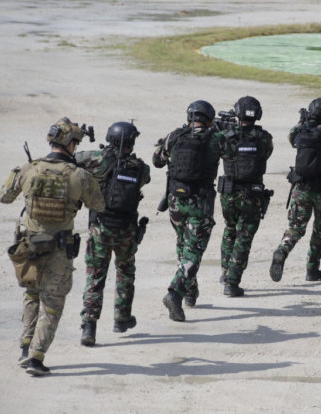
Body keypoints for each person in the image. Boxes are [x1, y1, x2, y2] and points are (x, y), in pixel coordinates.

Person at [1, 117, 105, 376]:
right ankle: (36, 356)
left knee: (32, 295)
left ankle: (25, 347)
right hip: (60, 250)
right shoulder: (79, 175)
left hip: (30, 246)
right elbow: (99, 205)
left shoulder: (29, 168)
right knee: (52, 303)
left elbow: (4, 196)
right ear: (70, 145)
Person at [153, 100, 236, 322]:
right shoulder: (215, 139)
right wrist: (223, 132)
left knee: (183, 244)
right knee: (194, 251)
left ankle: (191, 292)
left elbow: (157, 161)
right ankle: (175, 292)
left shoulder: (175, 135)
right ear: (208, 118)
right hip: (200, 202)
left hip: (175, 201)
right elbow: (233, 155)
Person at [75, 122, 151, 346]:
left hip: (101, 226)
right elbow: (146, 179)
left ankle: (89, 326)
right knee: (125, 273)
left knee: (95, 276)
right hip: (127, 229)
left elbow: (72, 160)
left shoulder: (97, 159)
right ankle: (121, 319)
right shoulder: (140, 167)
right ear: (131, 142)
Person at [269, 97, 321, 282]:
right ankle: (312, 269)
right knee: (320, 229)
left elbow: (291, 139)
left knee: (295, 228)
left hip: (302, 187)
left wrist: (303, 122)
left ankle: (282, 250)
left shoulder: (301, 131)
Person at [218, 96, 274, 297]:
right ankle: (232, 283)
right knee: (244, 236)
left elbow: (220, 151)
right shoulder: (264, 138)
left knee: (230, 230)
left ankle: (225, 272)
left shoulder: (225, 136)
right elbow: (266, 154)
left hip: (229, 193)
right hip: (251, 193)